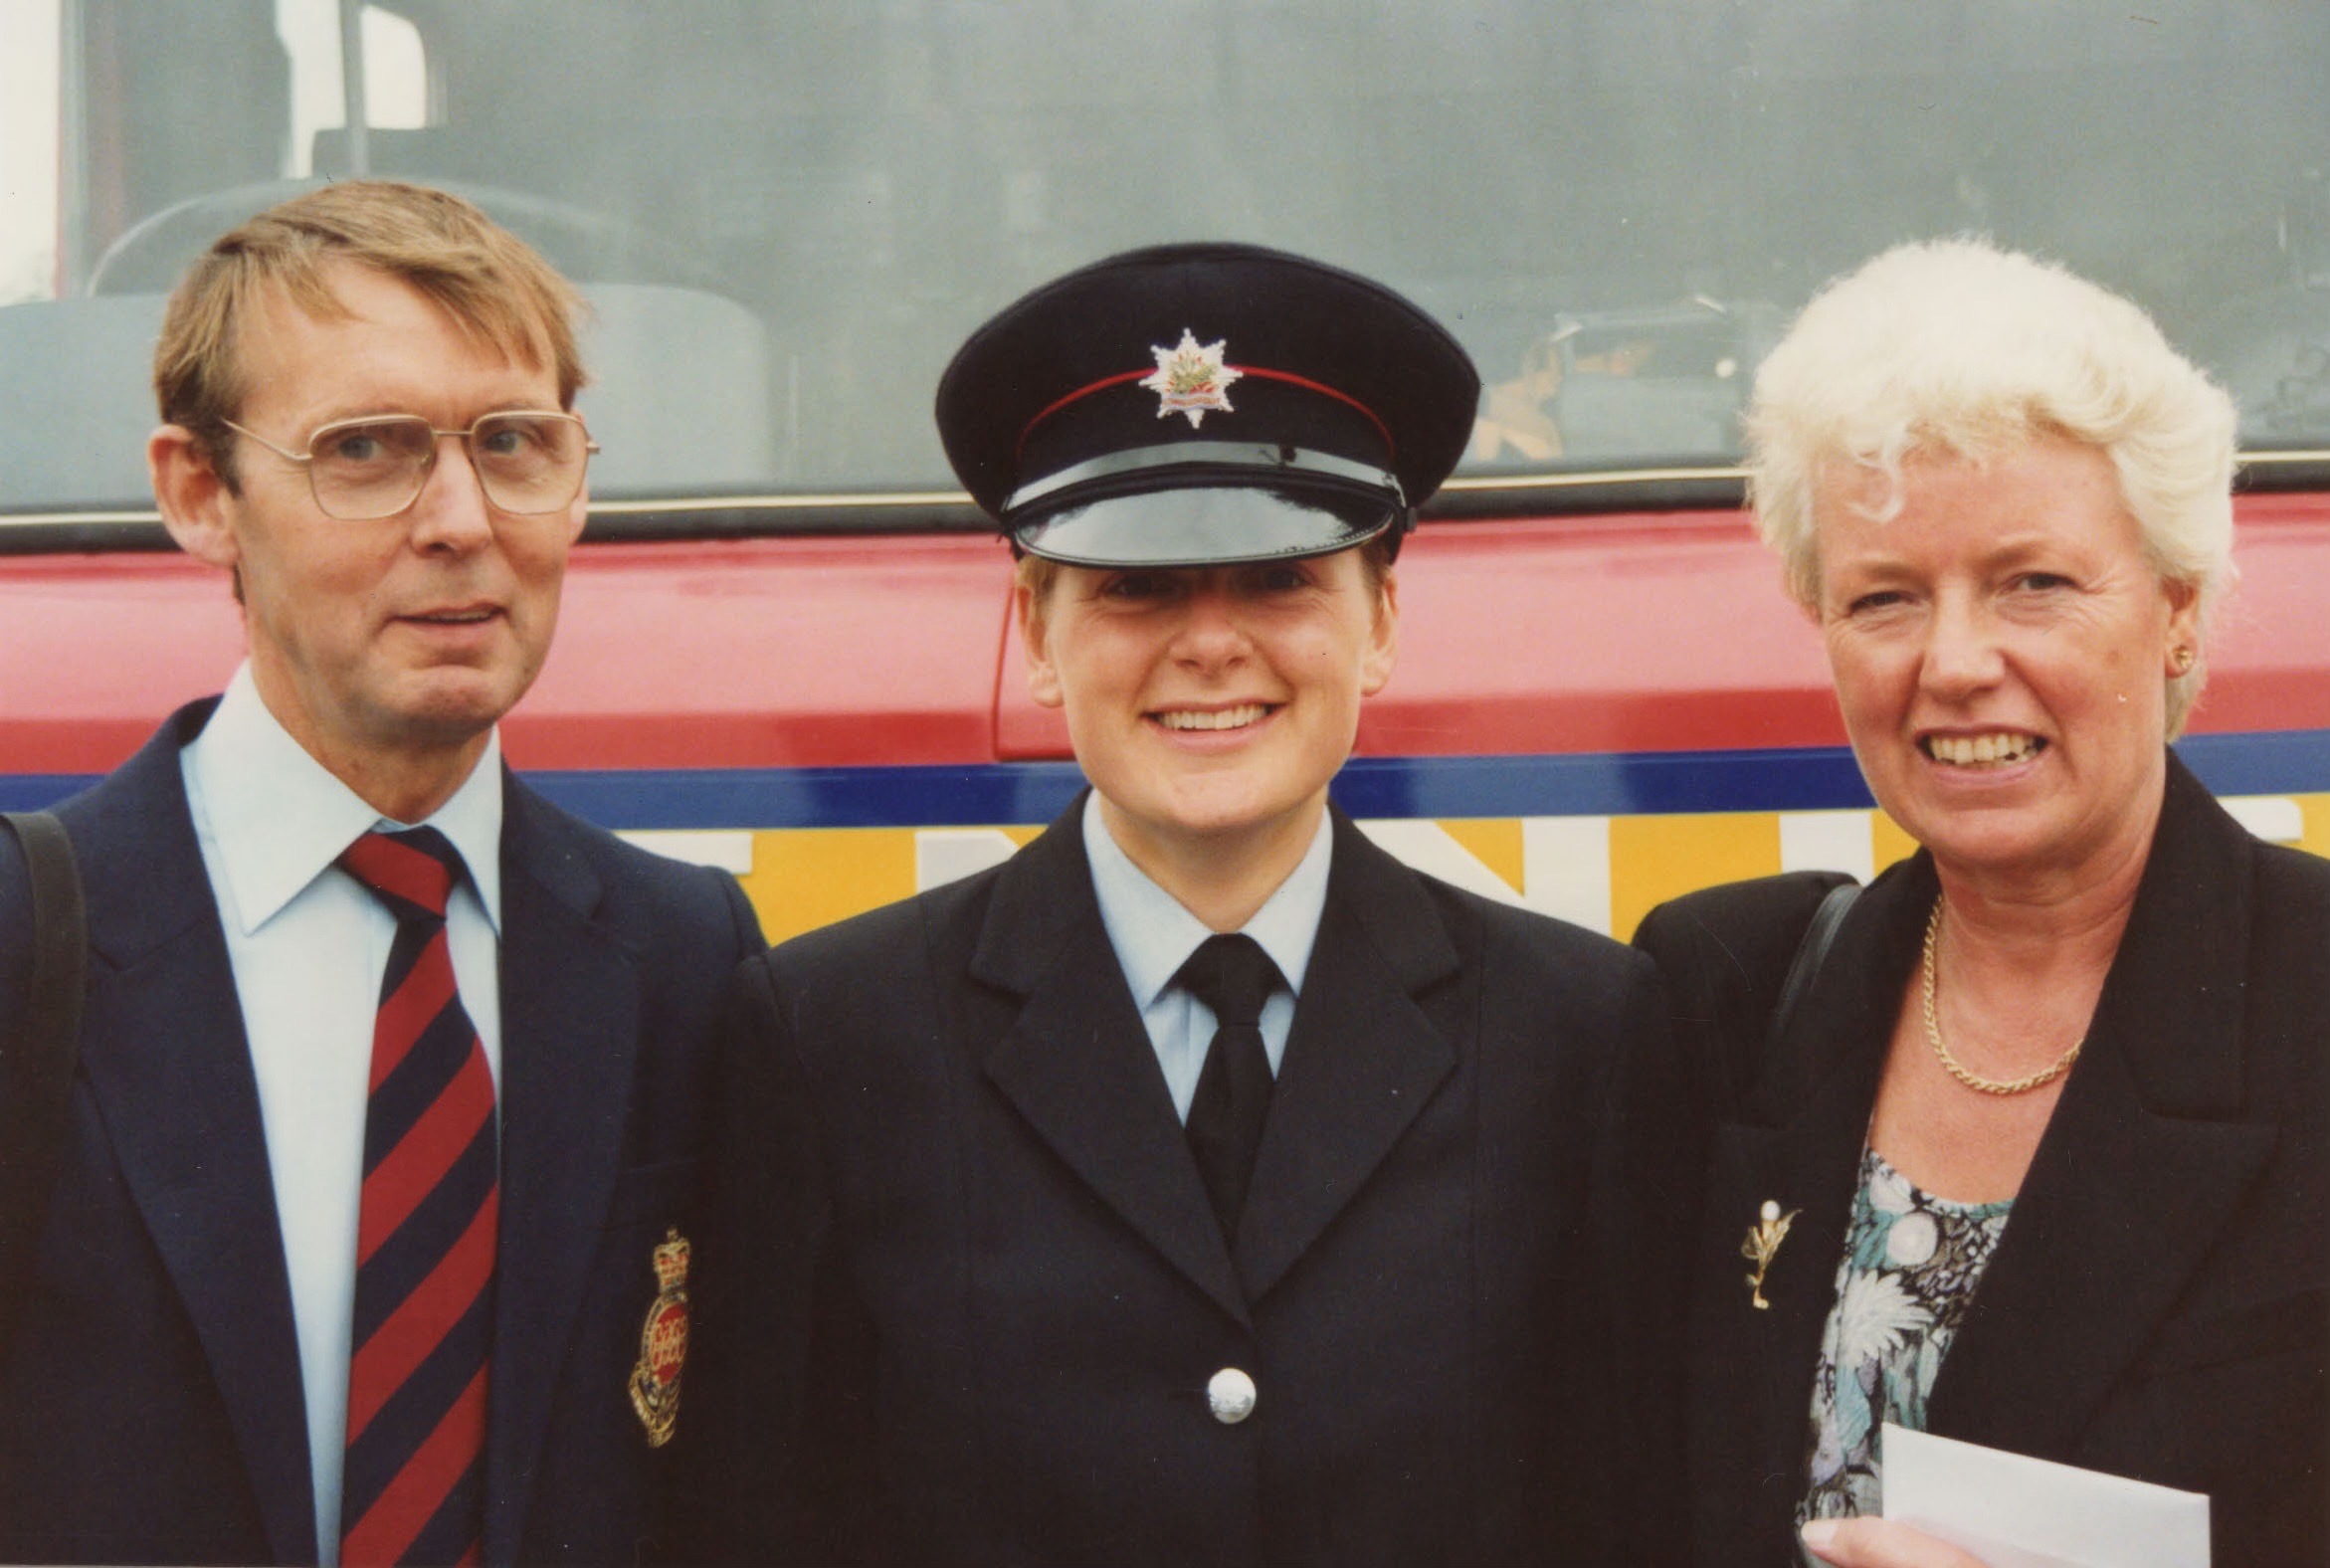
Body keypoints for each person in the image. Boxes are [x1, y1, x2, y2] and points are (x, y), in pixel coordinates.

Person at [676, 242, 1672, 1566]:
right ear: (1035, 631)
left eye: (1279, 580)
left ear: (1379, 621)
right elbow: (755, 1523)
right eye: (1136, 587)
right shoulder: (828, 1038)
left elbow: (1632, 1512)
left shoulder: (1580, 1031)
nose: (1210, 644)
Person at [0, 181, 765, 1566]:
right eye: (366, 449)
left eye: (516, 444)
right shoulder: (25, 948)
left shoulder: (684, 953)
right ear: (196, 495)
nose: (463, 519)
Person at [1633, 239, 2328, 1568]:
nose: (1954, 663)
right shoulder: (1727, 985)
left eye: (2032, 583)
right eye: (1884, 598)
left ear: (2177, 610)